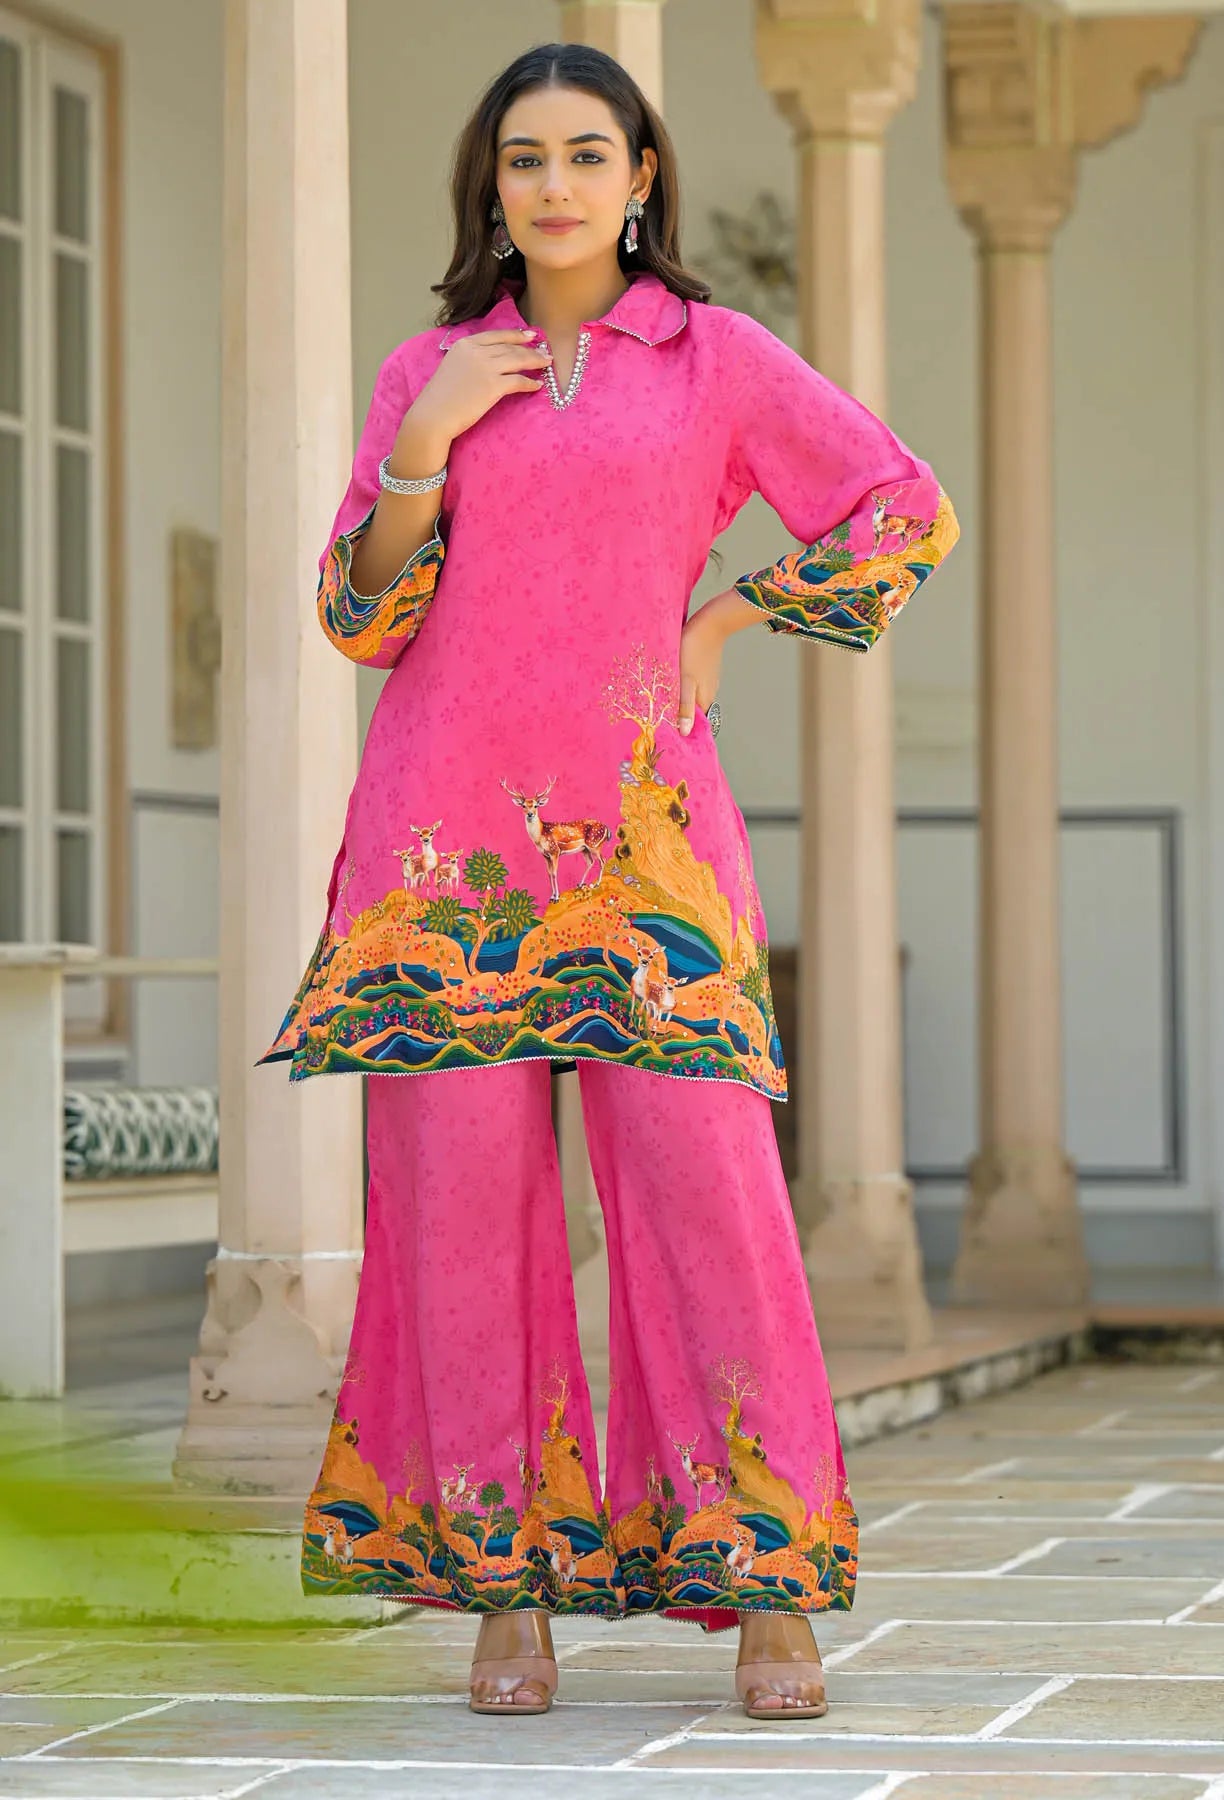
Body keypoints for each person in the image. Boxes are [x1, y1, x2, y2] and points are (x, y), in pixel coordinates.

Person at [257, 41, 958, 1721]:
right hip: (441, 855)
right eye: (525, 157)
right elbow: (361, 618)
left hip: (648, 845)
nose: (555, 184)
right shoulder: (430, 368)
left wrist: (729, 615)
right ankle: (507, 1595)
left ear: (641, 178)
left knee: (713, 1197)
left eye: (588, 153)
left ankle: (767, 1582)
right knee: (457, 1221)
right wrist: (426, 440)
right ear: (489, 186)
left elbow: (899, 505)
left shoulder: (714, 358)